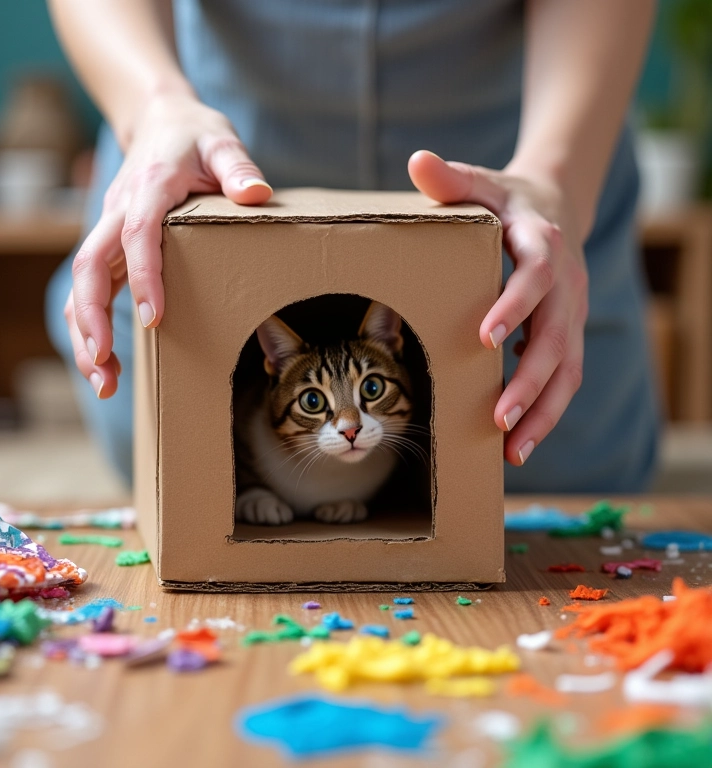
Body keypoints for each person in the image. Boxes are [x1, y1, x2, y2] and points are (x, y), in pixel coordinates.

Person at [45, 0, 660, 492]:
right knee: (181, 465)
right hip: (206, 160)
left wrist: (556, 182)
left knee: (557, 467)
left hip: (515, 170)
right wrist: (153, 106)